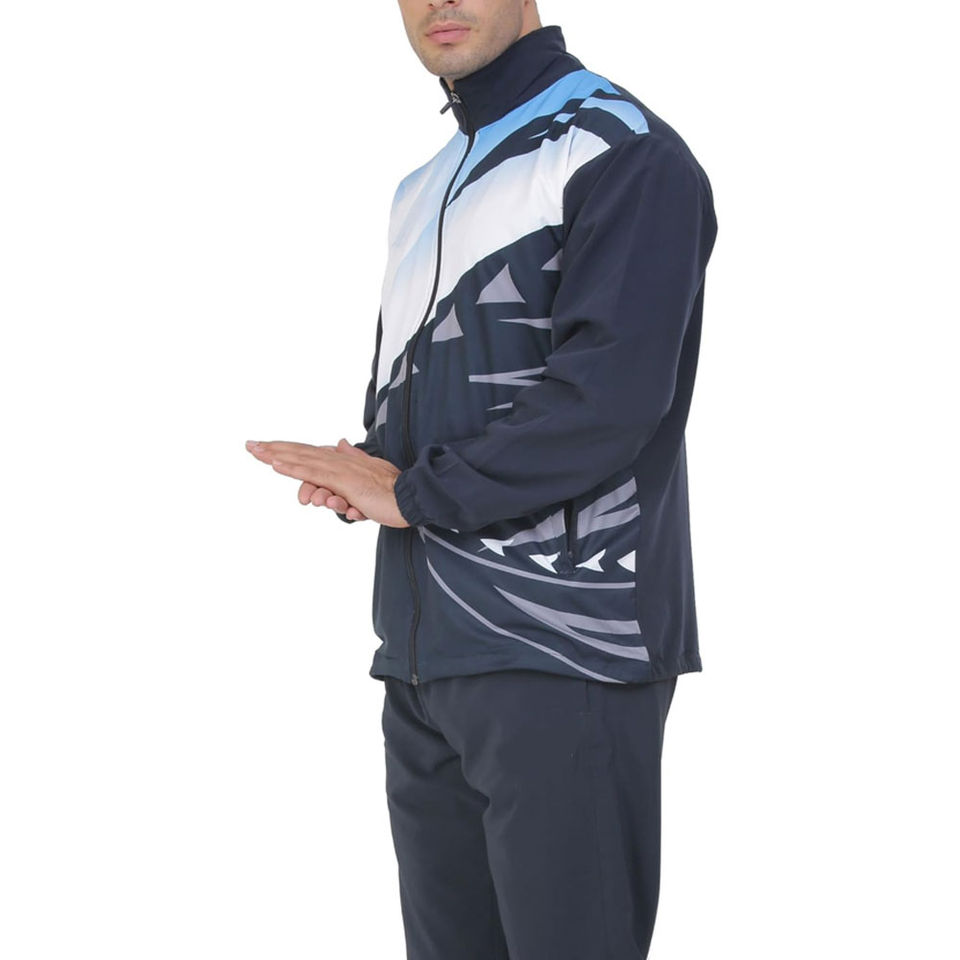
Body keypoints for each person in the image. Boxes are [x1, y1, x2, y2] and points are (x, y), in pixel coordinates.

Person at [246, 1, 717, 956]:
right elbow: (441, 394)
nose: (440, 0)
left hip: (566, 646)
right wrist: (369, 476)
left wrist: (411, 494)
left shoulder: (620, 151)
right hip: (424, 657)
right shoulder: (424, 185)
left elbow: (609, 403)